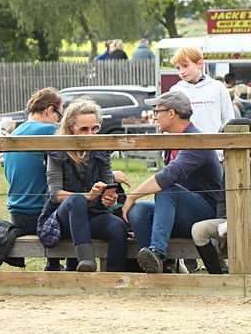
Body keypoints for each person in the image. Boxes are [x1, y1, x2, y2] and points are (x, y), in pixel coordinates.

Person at [123, 91, 225, 274]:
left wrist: (131, 196)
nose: (155, 116)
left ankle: (158, 252)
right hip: (181, 211)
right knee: (137, 211)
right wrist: (132, 203)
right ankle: (156, 265)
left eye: (157, 111)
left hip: (205, 213)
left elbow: (168, 176)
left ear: (171, 113)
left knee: (167, 190)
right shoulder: (173, 140)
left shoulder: (196, 140)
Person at [35, 99, 130, 272]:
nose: (90, 134)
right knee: (77, 200)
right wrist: (88, 196)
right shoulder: (57, 149)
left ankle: (115, 277)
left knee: (117, 226)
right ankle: (86, 262)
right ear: (71, 127)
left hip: (93, 213)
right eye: (84, 129)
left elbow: (108, 185)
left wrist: (109, 198)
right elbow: (55, 194)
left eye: (95, 128)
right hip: (61, 217)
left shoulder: (102, 149)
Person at [2, 88, 63, 240]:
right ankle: (70, 263)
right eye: (59, 115)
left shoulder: (15, 133)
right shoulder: (51, 130)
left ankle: (55, 264)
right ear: (49, 110)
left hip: (16, 215)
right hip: (41, 216)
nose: (59, 121)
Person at [167, 46, 236, 134]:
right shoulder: (175, 90)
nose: (181, 72)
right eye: (178, 68)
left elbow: (228, 118)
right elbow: (170, 121)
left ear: (199, 64)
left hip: (215, 144)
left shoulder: (218, 87)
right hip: (185, 145)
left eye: (185, 66)